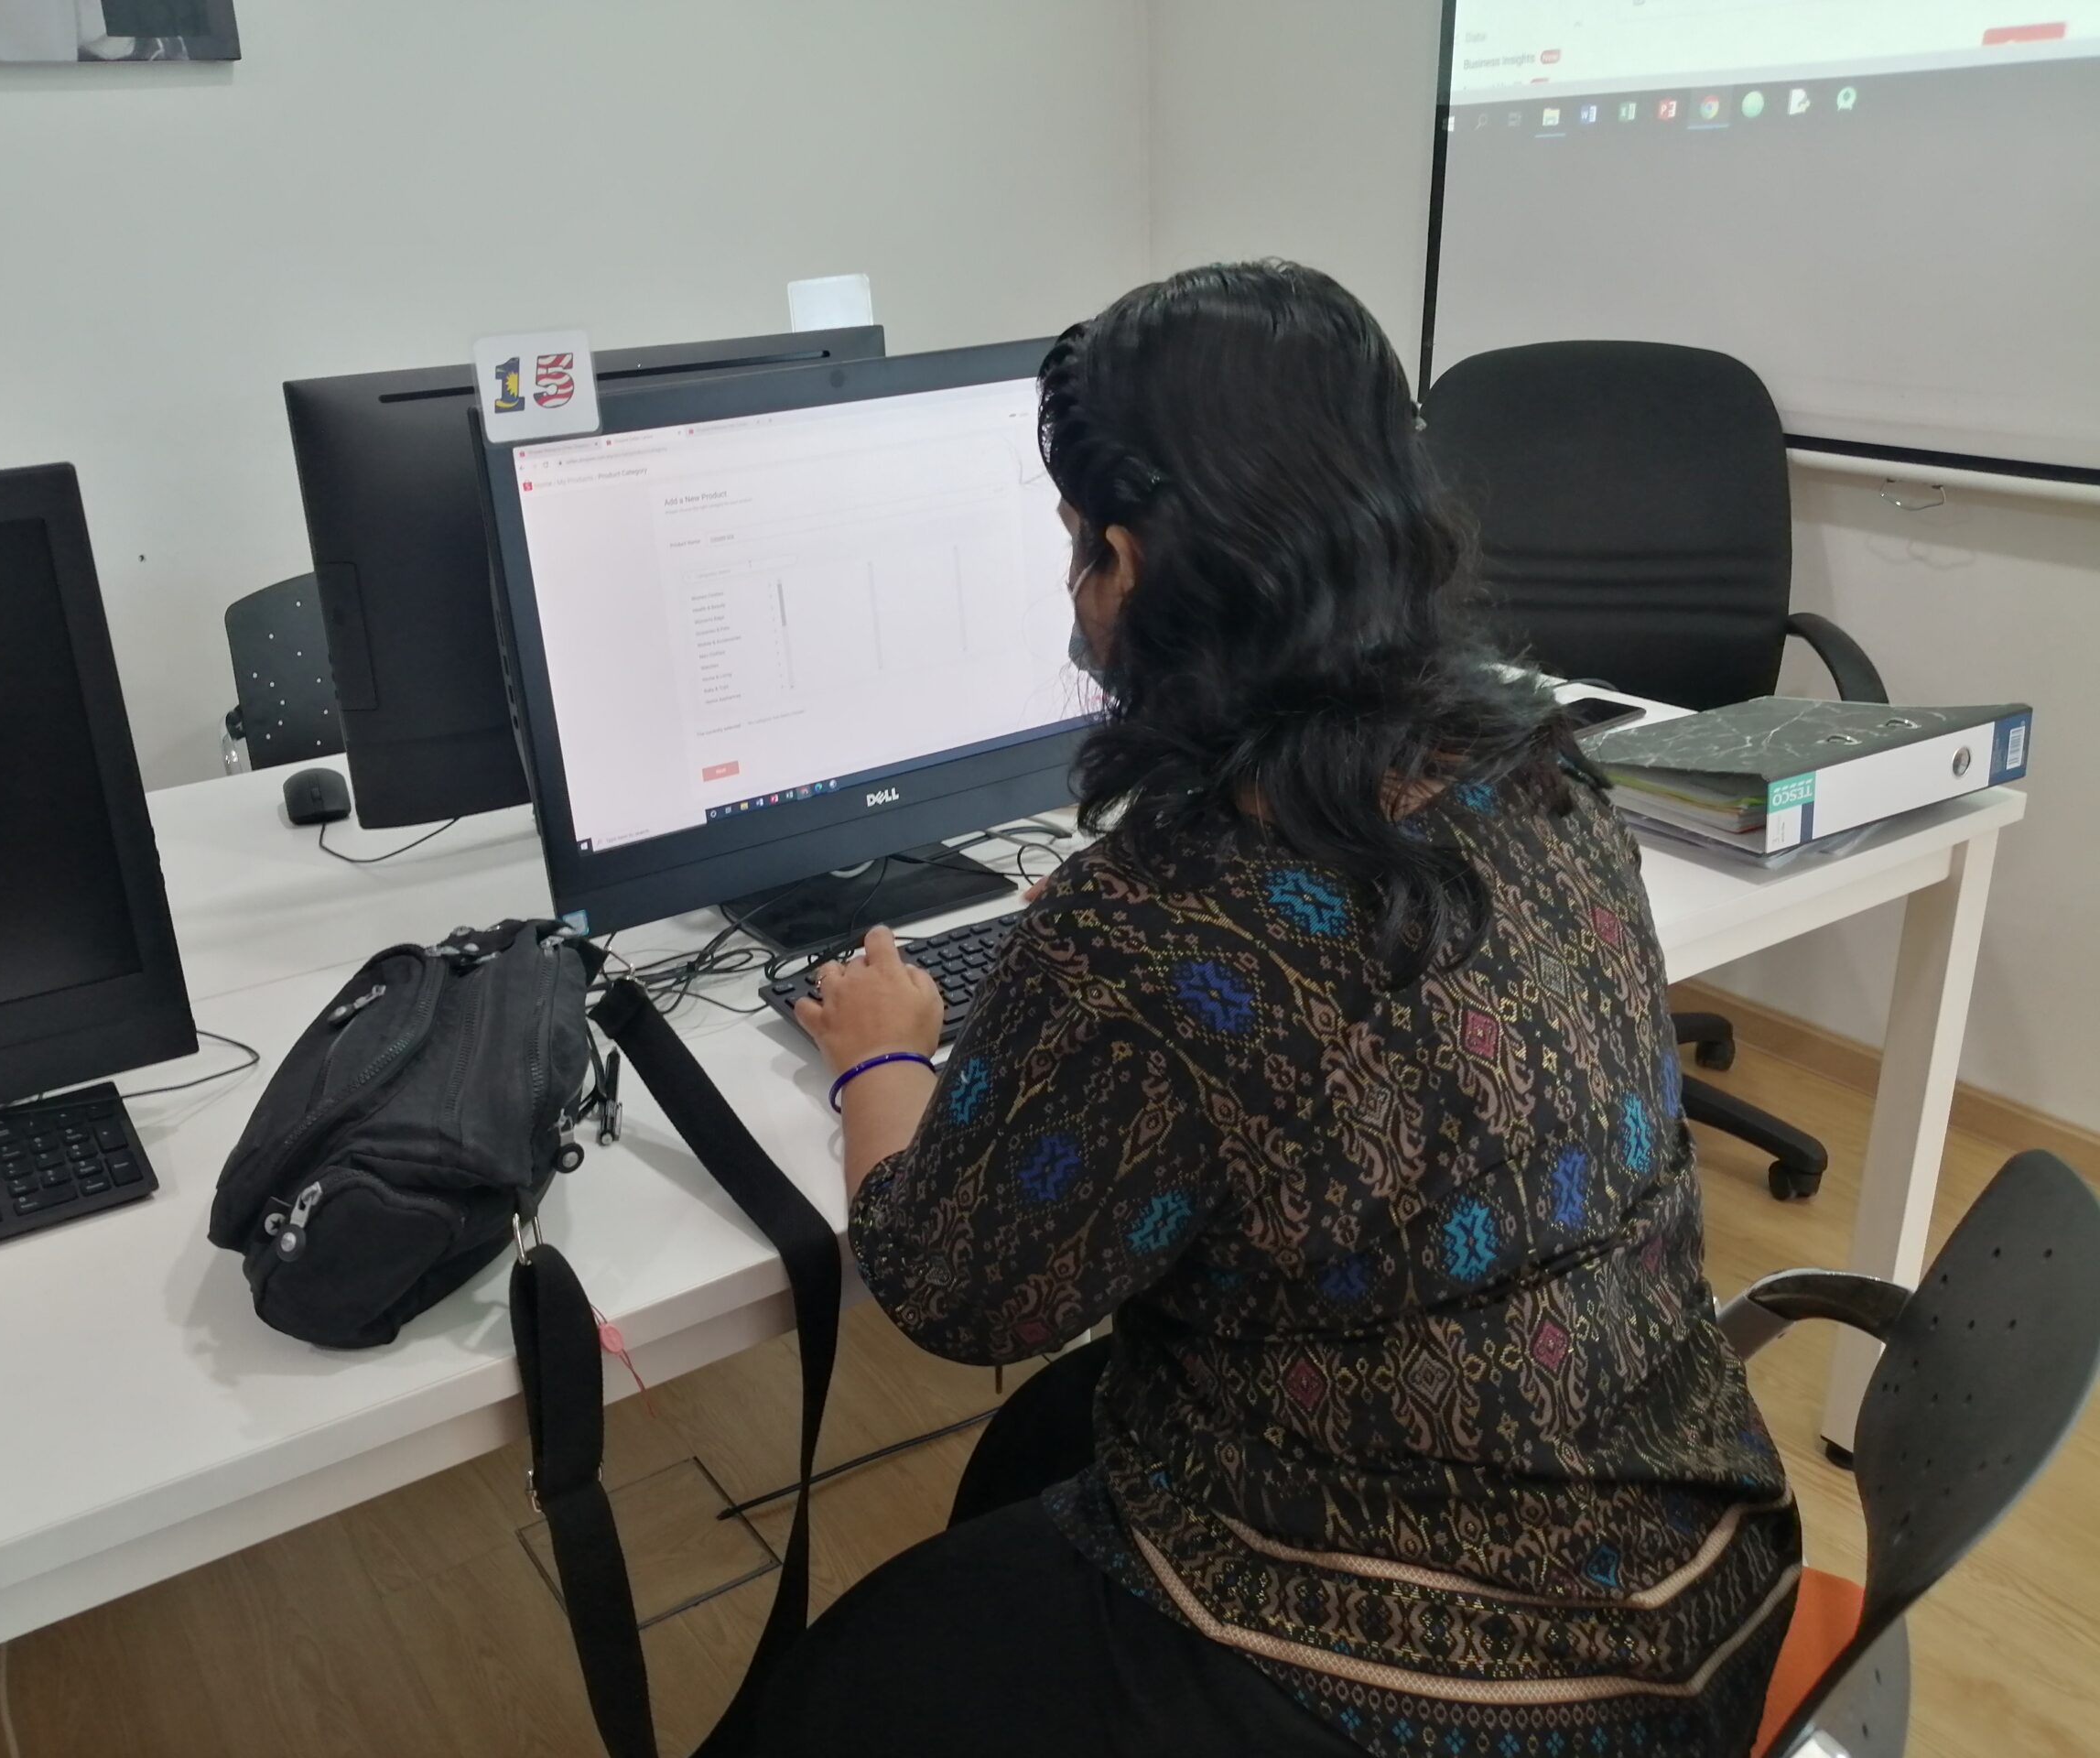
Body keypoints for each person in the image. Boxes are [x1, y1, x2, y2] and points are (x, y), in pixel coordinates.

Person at [763, 261, 1802, 1758]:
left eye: (1075, 545)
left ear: (1129, 562)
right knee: (1042, 1446)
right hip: (1703, 1566)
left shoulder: (1156, 921)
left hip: (1479, 1700)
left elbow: (951, 1292)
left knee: (837, 1685)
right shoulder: (1544, 768)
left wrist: (884, 1057)